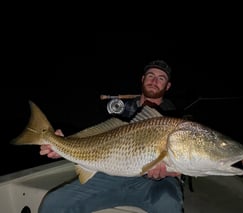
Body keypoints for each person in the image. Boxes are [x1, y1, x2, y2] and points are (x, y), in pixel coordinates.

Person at [39, 59, 184, 213]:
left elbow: (184, 166)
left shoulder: (175, 119)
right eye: (150, 75)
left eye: (161, 78)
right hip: (110, 176)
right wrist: (62, 145)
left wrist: (167, 172)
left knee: (169, 205)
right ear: (142, 79)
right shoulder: (120, 109)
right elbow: (95, 139)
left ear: (167, 86)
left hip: (154, 184)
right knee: (53, 203)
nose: (154, 81)